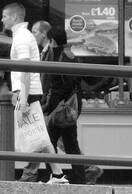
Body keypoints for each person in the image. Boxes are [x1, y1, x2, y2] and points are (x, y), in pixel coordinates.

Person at [0, 2, 68, 183]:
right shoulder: (23, 35)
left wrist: (22, 99)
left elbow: (24, 68)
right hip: (29, 92)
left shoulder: (22, 36)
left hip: (26, 93)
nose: (2, 19)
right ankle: (58, 174)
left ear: (14, 17)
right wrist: (2, 62)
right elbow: (22, 66)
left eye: (5, 16)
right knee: (39, 137)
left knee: (9, 135)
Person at [31, 21, 101, 185]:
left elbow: (58, 86)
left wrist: (49, 106)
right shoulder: (70, 54)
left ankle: (55, 176)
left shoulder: (56, 55)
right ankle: (78, 179)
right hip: (69, 107)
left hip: (60, 108)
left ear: (52, 40)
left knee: (49, 143)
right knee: (70, 145)